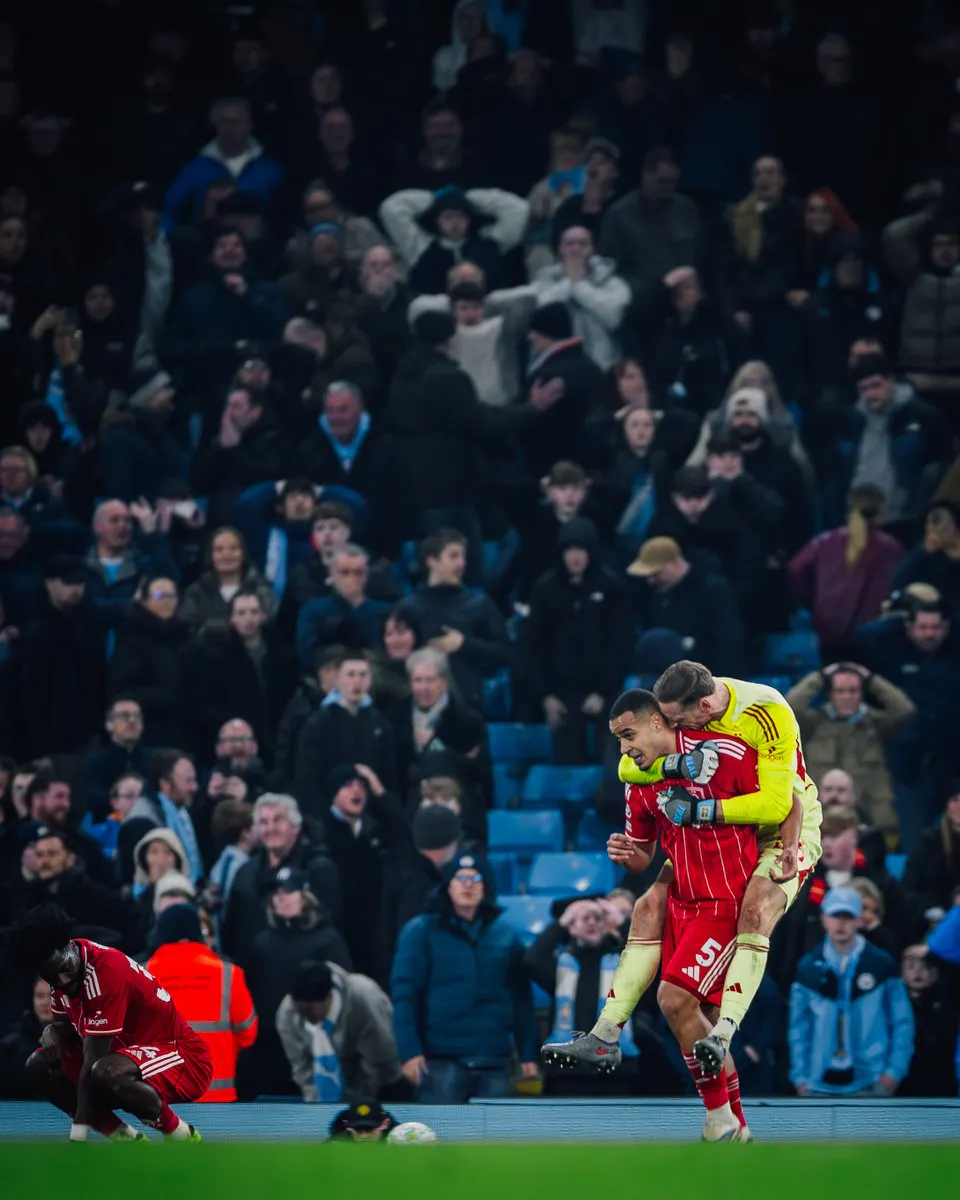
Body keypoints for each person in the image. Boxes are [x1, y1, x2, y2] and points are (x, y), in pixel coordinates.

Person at [543, 689, 770, 1140]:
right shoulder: (640, 782)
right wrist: (627, 854)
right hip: (683, 902)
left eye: (628, 735)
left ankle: (720, 1119)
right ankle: (734, 1128)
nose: (624, 749)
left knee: (673, 1000)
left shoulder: (723, 754)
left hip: (727, 902)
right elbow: (644, 854)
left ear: (657, 722)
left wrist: (790, 852)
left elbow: (782, 798)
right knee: (697, 1021)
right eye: (618, 740)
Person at [12, 904, 211, 1141]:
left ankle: (181, 1135)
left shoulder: (106, 971)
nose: (63, 981)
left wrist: (78, 1134)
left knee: (105, 1071)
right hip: (123, 1057)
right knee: (39, 1064)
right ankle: (125, 1138)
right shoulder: (63, 976)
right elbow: (72, 1033)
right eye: (52, 978)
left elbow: (92, 1060)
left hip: (183, 1058)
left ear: (70, 945)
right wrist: (53, 1032)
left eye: (64, 969)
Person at [391, 851, 538, 1103]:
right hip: (439, 1063)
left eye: (475, 879)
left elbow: (521, 999)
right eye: (460, 878)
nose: (468, 885)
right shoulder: (420, 932)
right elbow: (405, 996)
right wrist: (409, 1052)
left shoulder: (505, 935)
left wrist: (528, 1055)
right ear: (447, 886)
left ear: (485, 888)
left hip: (494, 1062)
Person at [788, 887, 914, 1097]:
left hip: (872, 1081)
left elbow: (902, 1022)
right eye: (835, 915)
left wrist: (893, 1073)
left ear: (859, 920)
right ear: (823, 918)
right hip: (818, 1083)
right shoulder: (808, 967)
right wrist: (800, 1078)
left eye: (848, 916)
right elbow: (798, 1028)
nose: (841, 923)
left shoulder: (881, 964)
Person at [523, 519, 631, 763]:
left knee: (613, 747)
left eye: (581, 549)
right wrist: (546, 695)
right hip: (560, 693)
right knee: (566, 753)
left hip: (605, 691)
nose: (575, 557)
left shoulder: (611, 587)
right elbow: (533, 646)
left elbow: (620, 644)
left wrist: (603, 691)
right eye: (569, 550)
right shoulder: (544, 589)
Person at [242, 866, 352, 1098]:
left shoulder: (327, 940)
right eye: (276, 893)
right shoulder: (262, 943)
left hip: (316, 1048)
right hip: (269, 1052)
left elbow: (345, 993)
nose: (281, 898)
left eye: (288, 891)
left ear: (305, 895)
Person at [786, 663, 915, 842]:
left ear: (862, 693)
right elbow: (789, 707)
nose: (847, 696)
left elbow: (904, 710)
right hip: (820, 822)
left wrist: (871, 680)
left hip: (872, 820)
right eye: (840, 691)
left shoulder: (875, 723)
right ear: (830, 694)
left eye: (853, 691)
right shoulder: (813, 723)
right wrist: (819, 678)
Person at [146, 902, 258, 1103]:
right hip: (218, 1096)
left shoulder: (141, 974)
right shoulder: (229, 974)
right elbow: (248, 1033)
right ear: (198, 933)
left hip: (160, 1097)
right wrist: (223, 1048)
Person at [394, 529, 512, 711]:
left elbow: (506, 653)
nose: (462, 563)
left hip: (467, 708)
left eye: (463, 557)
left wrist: (464, 644)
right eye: (453, 556)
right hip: (416, 708)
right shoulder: (407, 608)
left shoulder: (479, 604)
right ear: (432, 561)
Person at [220, 793, 341, 961]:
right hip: (250, 969)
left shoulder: (318, 868)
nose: (270, 828)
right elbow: (230, 929)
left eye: (278, 820)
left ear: (295, 827)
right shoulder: (246, 872)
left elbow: (331, 927)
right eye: (264, 822)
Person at [788, 485, 904, 660]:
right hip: (872, 633)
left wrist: (815, 602)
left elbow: (795, 570)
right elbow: (902, 583)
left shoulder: (823, 542)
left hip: (828, 630)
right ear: (881, 512)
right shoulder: (890, 548)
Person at [276, 959, 401, 1104]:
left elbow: (381, 1061)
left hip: (382, 1083)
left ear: (329, 996)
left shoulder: (365, 1000)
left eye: (310, 1012)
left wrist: (354, 1102)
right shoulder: (288, 1014)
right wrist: (316, 1106)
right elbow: (302, 1068)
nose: (308, 1019)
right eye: (302, 1013)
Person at [293, 654, 397, 816]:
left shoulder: (380, 723)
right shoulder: (319, 722)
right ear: (337, 680)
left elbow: (390, 773)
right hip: (328, 812)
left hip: (373, 814)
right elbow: (307, 775)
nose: (357, 681)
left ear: (370, 680)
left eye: (362, 675)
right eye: (350, 674)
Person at [626, 536, 746, 676]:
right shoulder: (658, 595)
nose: (650, 581)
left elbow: (726, 644)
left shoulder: (712, 590)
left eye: (655, 574)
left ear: (673, 565)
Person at [897, 944, 959, 1097]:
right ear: (902, 974)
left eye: (925, 967)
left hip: (941, 1083)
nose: (918, 972)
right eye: (911, 967)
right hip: (902, 1084)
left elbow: (953, 970)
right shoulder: (895, 1005)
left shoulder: (949, 998)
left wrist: (932, 953)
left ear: (935, 973)